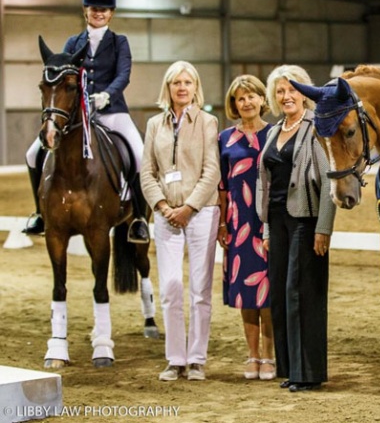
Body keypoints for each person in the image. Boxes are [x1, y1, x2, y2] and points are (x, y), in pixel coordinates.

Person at [24, 0, 150, 243]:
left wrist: (107, 95)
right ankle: (39, 213)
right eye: (94, 8)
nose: (99, 13)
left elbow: (123, 74)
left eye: (104, 9)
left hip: (112, 110)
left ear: (111, 13)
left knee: (137, 153)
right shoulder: (73, 42)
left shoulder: (119, 42)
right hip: (77, 115)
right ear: (85, 10)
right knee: (32, 153)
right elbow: (64, 75)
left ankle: (138, 218)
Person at [256, 65, 336, 393]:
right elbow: (266, 181)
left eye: (293, 89)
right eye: (280, 91)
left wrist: (324, 229)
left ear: (306, 93)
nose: (287, 96)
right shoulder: (274, 131)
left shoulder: (316, 127)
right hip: (277, 221)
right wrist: (266, 231)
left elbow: (331, 177)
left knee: (300, 294)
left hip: (306, 219)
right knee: (280, 296)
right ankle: (291, 369)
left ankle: (309, 372)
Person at [140, 61, 221, 382]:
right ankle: (175, 359)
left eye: (188, 82)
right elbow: (147, 171)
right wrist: (161, 204)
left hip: (201, 213)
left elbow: (211, 171)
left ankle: (197, 359)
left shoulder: (208, 122)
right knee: (171, 288)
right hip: (165, 215)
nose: (182, 87)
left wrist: (189, 206)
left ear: (195, 86)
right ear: (168, 87)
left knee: (200, 290)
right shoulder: (153, 125)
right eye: (176, 82)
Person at [218, 75, 276, 381]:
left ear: (263, 100)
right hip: (238, 224)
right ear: (234, 104)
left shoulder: (276, 134)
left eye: (252, 96)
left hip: (268, 223)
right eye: (241, 98)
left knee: (268, 292)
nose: (247, 102)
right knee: (246, 293)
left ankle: (270, 355)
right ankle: (252, 355)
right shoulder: (225, 139)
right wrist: (221, 224)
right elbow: (222, 186)